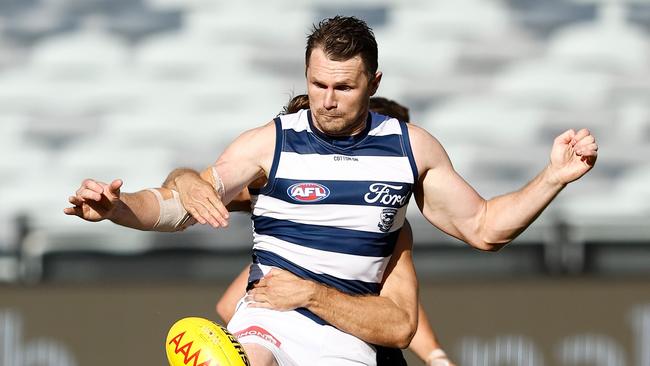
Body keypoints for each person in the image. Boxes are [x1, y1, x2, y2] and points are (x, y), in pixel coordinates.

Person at [65, 16, 598, 366]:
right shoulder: (269, 142)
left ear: (374, 82)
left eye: (344, 87)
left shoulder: (410, 150)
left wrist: (552, 177)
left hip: (348, 339)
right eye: (318, 84)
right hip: (269, 318)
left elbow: (483, 228)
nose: (326, 99)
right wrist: (117, 208)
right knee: (253, 356)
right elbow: (177, 204)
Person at [215, 95, 455, 366]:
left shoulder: (393, 228)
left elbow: (401, 319)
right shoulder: (281, 201)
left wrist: (436, 357)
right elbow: (232, 303)